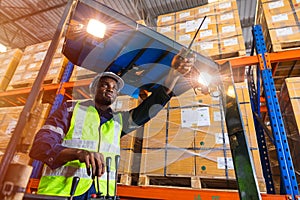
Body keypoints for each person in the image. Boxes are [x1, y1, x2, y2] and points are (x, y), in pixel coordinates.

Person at [29, 51, 194, 199]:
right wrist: (78, 153)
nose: (110, 89)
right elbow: (40, 146)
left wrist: (173, 75)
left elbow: (148, 109)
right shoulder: (71, 109)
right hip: (62, 194)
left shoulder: (118, 121)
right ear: (94, 90)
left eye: (114, 88)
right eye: (105, 85)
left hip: (101, 195)